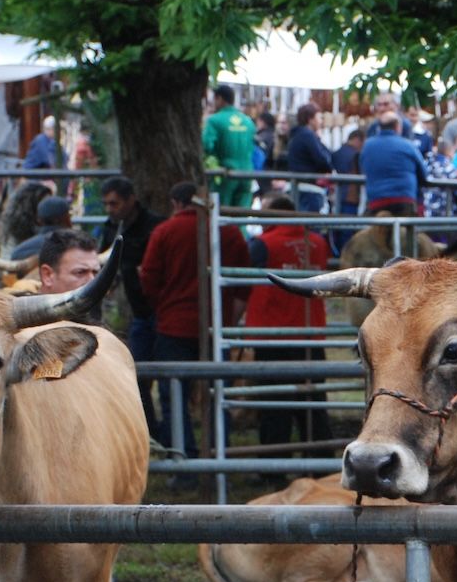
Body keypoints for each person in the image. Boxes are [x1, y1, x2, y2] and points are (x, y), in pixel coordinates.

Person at [4, 228, 179, 582]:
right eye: (80, 273)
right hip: (20, 491)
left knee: (95, 566)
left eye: (96, 273)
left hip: (89, 482)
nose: (91, 284)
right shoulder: (14, 337)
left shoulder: (98, 348)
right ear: (46, 276)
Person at [138, 182, 252, 455]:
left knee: (174, 394)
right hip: (215, 325)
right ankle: (218, 452)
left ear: (176, 203)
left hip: (174, 325)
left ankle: (183, 458)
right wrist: (228, 318)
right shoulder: (230, 233)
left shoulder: (164, 232)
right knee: (217, 393)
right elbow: (243, 283)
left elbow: (149, 279)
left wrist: (163, 306)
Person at [240, 194, 332, 449]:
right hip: (310, 334)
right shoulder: (317, 242)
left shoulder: (263, 244)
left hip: (273, 335)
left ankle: (273, 467)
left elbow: (244, 284)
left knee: (273, 404)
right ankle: (320, 461)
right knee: (313, 401)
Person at [97, 176, 165, 440]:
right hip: (139, 313)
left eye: (114, 204)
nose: (109, 210)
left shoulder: (156, 227)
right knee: (137, 375)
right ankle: (150, 434)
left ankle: (170, 435)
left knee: (171, 377)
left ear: (131, 200)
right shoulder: (111, 228)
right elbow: (105, 260)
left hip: (163, 311)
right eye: (106, 204)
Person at [202, 86, 261, 209]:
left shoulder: (214, 120)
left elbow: (206, 145)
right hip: (246, 174)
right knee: (241, 215)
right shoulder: (248, 121)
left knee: (221, 215)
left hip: (224, 174)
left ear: (219, 99)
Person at [358, 113, 425, 215]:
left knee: (378, 230)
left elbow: (362, 167)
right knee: (404, 230)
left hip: (376, 200)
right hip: (404, 199)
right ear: (398, 126)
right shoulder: (408, 145)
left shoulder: (367, 146)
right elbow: (423, 173)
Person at [284, 104, 335, 215]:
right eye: (319, 117)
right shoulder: (308, 136)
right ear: (310, 119)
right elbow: (323, 160)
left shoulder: (295, 136)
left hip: (297, 187)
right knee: (312, 226)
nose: (321, 121)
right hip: (310, 189)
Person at [7, 195, 73, 260]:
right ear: (65, 218)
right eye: (69, 215)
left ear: (39, 220)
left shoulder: (19, 252)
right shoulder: (75, 246)